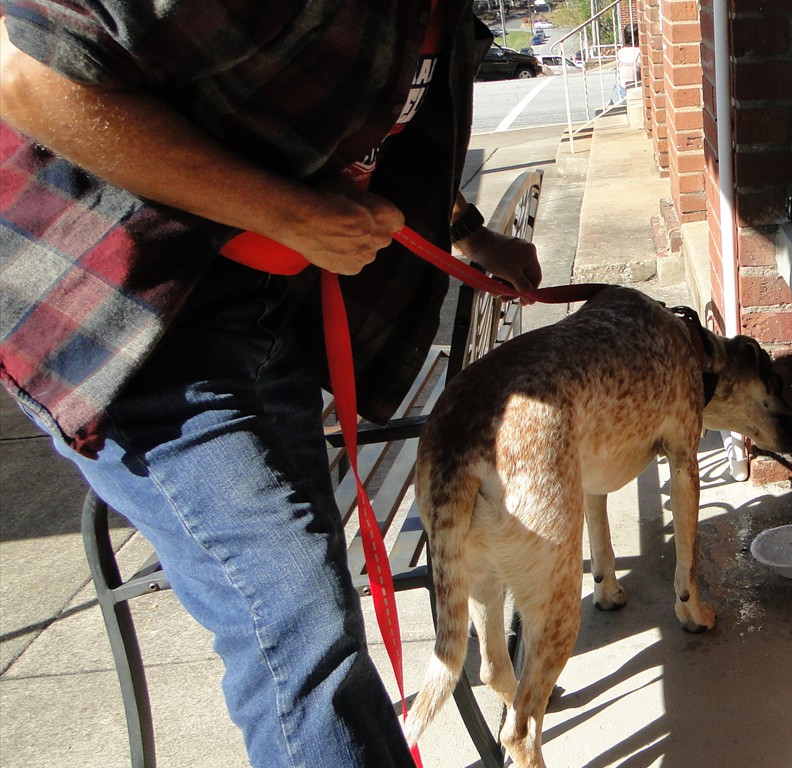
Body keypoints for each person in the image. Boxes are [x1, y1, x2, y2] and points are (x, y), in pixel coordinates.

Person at [0, 1, 541, 766]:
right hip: (128, 315)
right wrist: (292, 214)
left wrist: (464, 228)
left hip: (261, 319)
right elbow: (32, 81)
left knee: (315, 624)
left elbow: (369, 118)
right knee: (300, 630)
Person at [612, 25, 641, 105]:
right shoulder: (639, 52)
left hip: (620, 94)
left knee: (619, 75)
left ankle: (612, 101)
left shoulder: (620, 52)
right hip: (634, 92)